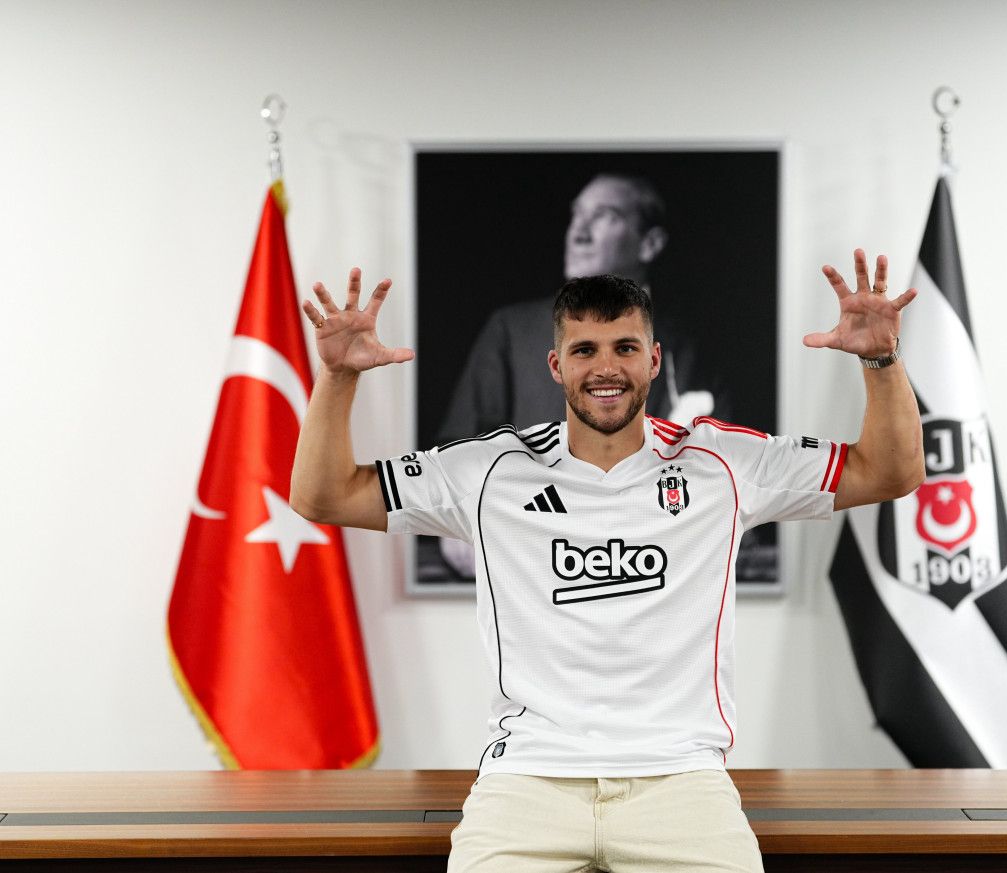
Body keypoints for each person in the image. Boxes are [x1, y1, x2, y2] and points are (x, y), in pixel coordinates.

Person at [291, 252, 923, 872]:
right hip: (526, 781)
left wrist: (880, 360)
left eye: (625, 347)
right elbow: (323, 495)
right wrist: (338, 377)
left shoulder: (724, 461)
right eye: (584, 350)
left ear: (654, 359)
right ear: (555, 365)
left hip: (681, 780)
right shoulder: (489, 470)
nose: (606, 368)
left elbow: (890, 471)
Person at [431, 172, 731, 580]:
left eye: (605, 216)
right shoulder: (512, 330)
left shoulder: (690, 343)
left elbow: (720, 472)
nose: (579, 232)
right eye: (576, 215)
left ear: (650, 243)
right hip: (532, 561)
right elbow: (461, 455)